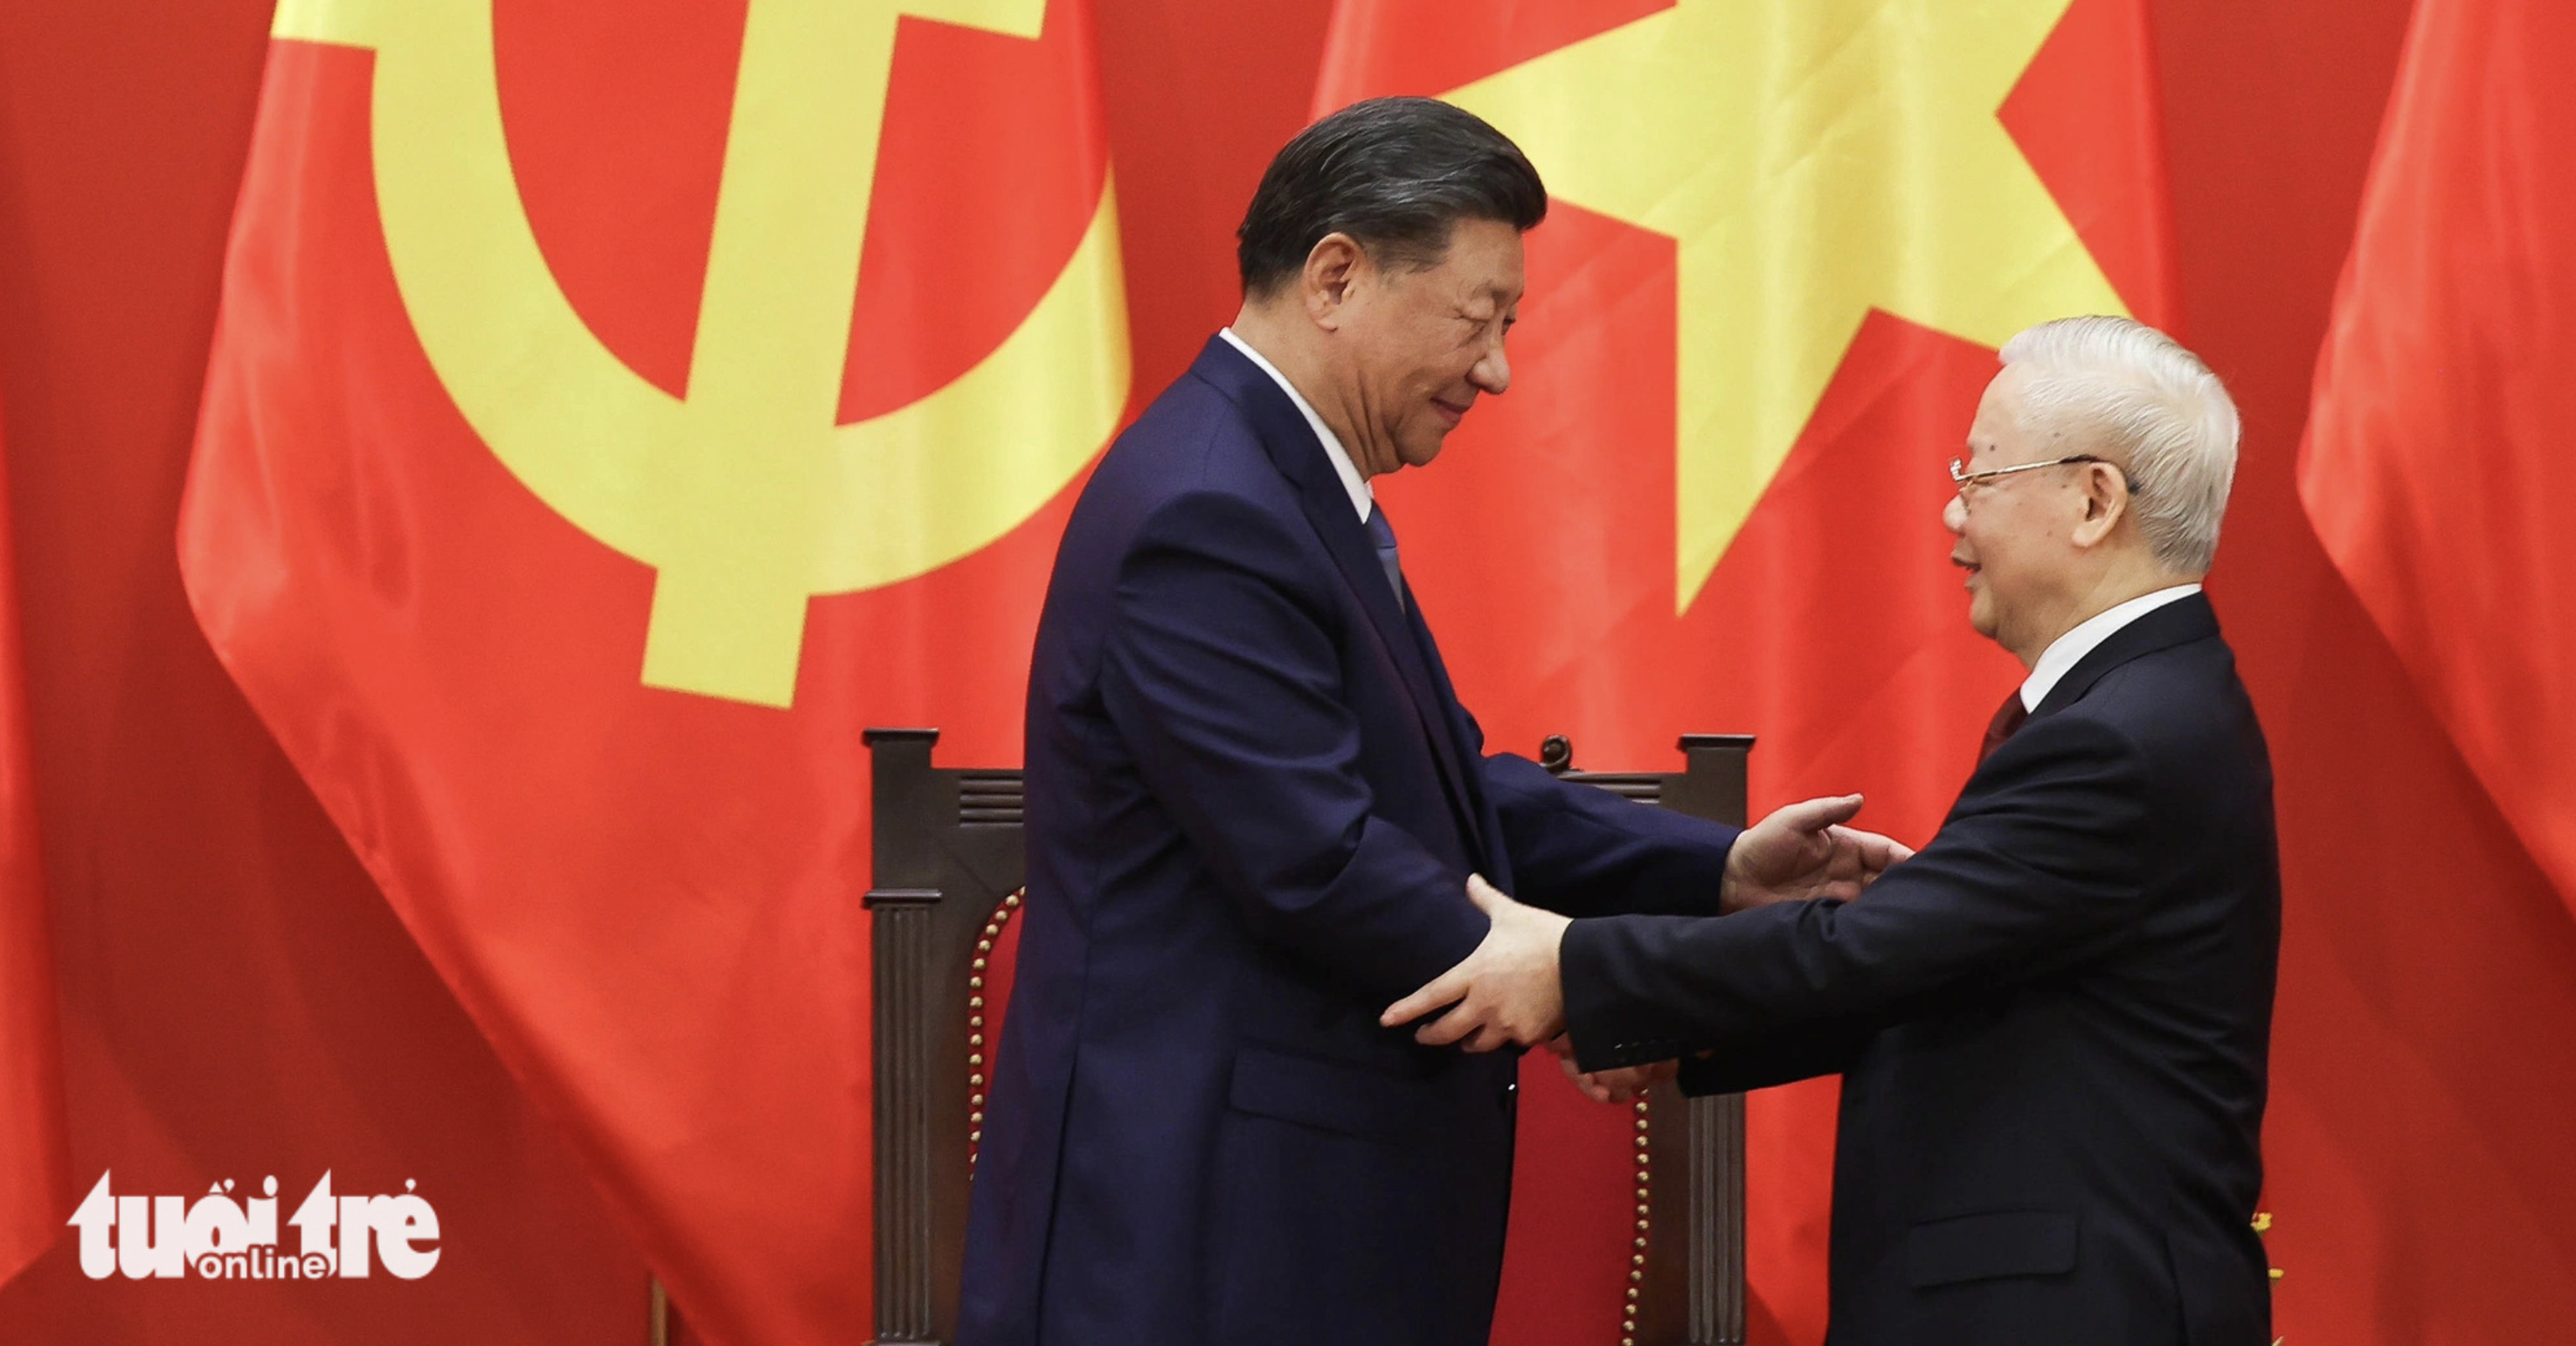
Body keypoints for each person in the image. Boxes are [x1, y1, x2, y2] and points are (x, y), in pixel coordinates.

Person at [957, 96, 1907, 1346]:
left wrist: (1717, 869)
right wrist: (1592, 980)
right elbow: (1323, 857)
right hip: (1204, 1239)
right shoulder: (1208, 508)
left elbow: (1451, 791)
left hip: (1294, 1220)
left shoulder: (1279, 481)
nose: (1499, 368)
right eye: (1480, 318)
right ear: (1337, 275)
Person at [1388, 316, 2280, 1345]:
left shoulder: (2121, 737)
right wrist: (1655, 1032)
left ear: (2091, 501)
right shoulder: (2139, 704)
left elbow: (1868, 956)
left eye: (1978, 476)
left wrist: (1572, 967)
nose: (1950, 512)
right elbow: (1942, 972)